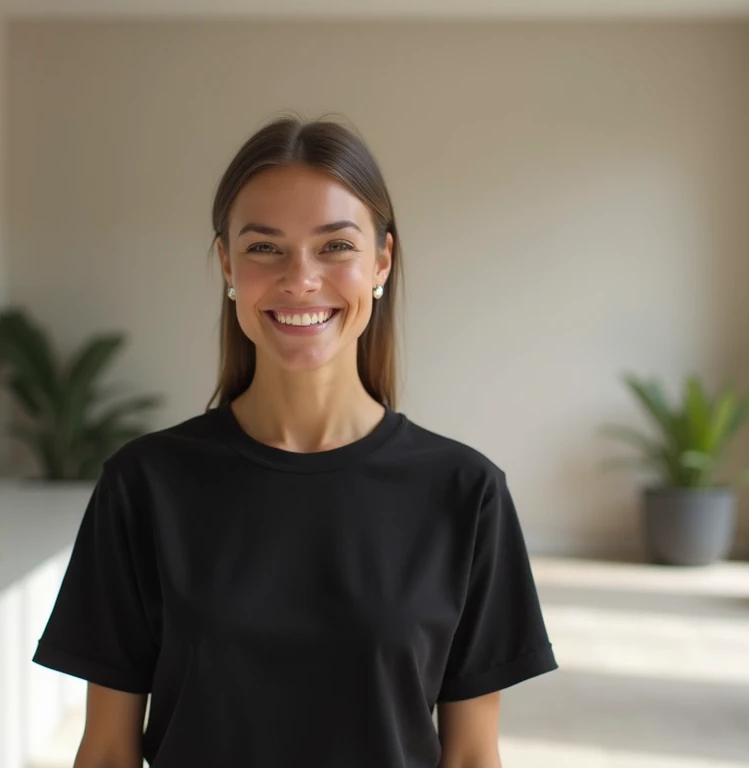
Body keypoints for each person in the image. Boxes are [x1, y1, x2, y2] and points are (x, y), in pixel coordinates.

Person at [32, 115, 558, 768]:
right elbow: (107, 752)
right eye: (264, 248)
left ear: (381, 261)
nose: (300, 278)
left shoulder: (466, 493)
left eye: (335, 246)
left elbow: (473, 757)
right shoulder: (144, 486)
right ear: (227, 262)